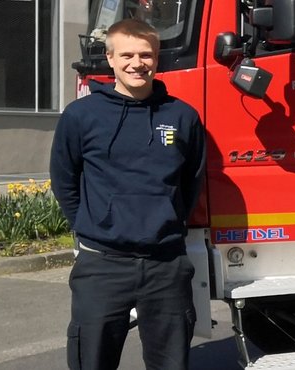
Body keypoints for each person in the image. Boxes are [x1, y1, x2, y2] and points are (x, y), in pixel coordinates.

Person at [50, 18, 206, 370]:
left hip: (166, 266)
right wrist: (93, 226)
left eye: (146, 55)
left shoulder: (182, 117)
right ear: (110, 58)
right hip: (102, 265)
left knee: (171, 364)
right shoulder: (81, 116)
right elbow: (65, 181)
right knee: (91, 361)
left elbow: (192, 180)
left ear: (157, 58)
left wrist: (164, 221)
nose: (138, 63)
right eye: (128, 55)